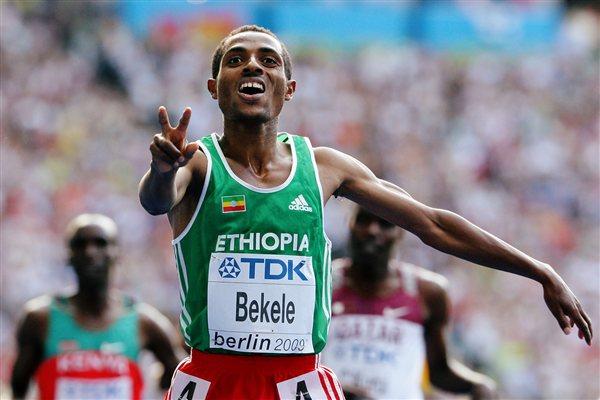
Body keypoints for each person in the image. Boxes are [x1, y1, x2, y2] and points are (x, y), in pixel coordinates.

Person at [138, 24, 592, 400]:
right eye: (236, 59)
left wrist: (538, 270)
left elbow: (431, 223)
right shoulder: (195, 162)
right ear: (215, 88)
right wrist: (162, 170)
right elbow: (156, 199)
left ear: (288, 90)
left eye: (268, 60)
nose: (252, 65)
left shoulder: (324, 168)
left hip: (300, 382)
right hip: (214, 380)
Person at [321, 206, 497, 400]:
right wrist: (339, 392)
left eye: (385, 224)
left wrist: (478, 386)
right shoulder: (322, 283)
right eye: (363, 221)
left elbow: (438, 372)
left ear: (400, 234)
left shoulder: (428, 292)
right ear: (349, 224)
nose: (372, 230)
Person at [10, 214, 180, 400]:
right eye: (80, 244)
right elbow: (18, 390)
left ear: (117, 254)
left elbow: (181, 377)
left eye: (100, 243)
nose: (90, 252)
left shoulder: (144, 322)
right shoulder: (39, 320)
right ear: (68, 255)